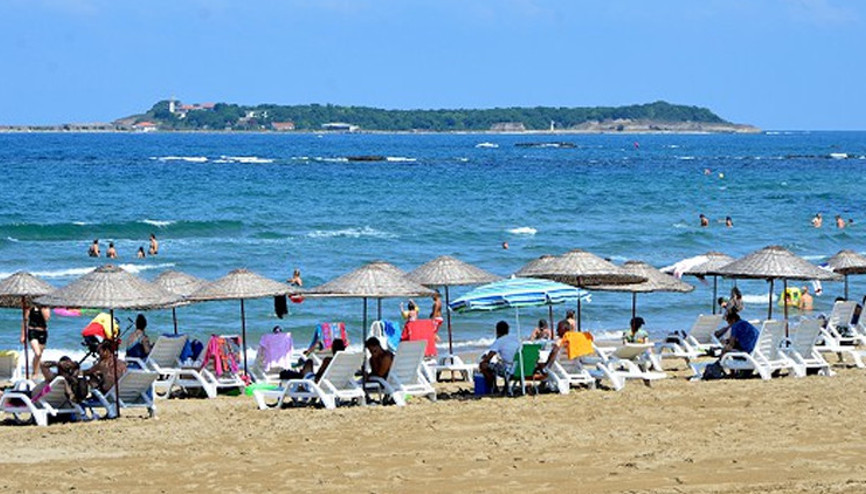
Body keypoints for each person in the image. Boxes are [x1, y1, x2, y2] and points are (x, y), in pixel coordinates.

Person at [478, 320, 520, 391]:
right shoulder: (515, 339)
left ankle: (493, 387)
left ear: (497, 331)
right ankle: (506, 387)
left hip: (509, 370)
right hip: (519, 368)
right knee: (503, 363)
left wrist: (484, 360)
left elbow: (489, 357)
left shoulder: (499, 341)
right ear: (508, 330)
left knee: (483, 365)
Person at [280, 339, 345, 382]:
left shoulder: (328, 360)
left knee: (309, 362)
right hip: (332, 383)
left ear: (333, 348)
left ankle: (290, 373)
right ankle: (295, 373)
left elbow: (319, 374)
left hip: (315, 383)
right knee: (308, 365)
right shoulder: (345, 362)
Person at [22, 302, 51, 375]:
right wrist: (23, 335)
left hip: (43, 332)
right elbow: (25, 321)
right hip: (32, 331)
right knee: (37, 353)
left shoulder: (45, 308)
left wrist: (42, 309)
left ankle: (35, 372)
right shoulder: (30, 308)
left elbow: (46, 319)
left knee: (39, 355)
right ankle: (35, 373)